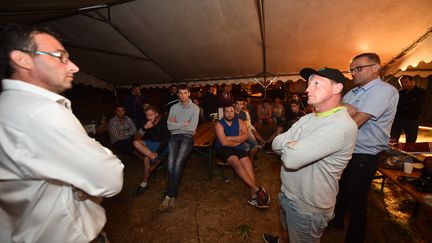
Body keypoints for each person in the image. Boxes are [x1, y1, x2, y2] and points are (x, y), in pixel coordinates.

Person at [0, 24, 124, 243]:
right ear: (23, 60)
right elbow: (110, 178)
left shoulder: (8, 106)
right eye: (61, 57)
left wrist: (75, 177)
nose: (74, 67)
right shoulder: (41, 112)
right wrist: (86, 169)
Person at [263, 67, 357, 243]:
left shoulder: (339, 126)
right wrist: (292, 145)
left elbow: (291, 160)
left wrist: (292, 145)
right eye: (308, 84)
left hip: (307, 207)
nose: (307, 89)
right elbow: (276, 143)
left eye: (316, 84)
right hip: (287, 193)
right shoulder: (310, 117)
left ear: (337, 89)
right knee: (285, 234)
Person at [331, 53, 399, 243]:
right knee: (340, 190)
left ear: (376, 68)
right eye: (352, 69)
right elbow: (334, 111)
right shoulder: (353, 92)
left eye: (358, 68)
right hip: (346, 150)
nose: (353, 73)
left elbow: (354, 122)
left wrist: (342, 110)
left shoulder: (384, 91)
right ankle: (336, 222)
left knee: (356, 201)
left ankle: (355, 238)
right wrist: (343, 107)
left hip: (364, 154)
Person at [214, 105, 270, 209]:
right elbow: (223, 142)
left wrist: (230, 138)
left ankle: (253, 195)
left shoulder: (240, 121)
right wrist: (237, 140)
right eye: (227, 111)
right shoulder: (219, 124)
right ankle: (257, 189)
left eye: (231, 111)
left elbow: (245, 136)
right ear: (223, 113)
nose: (229, 113)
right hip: (222, 149)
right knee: (236, 162)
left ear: (234, 112)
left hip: (237, 147)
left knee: (247, 163)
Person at [158, 84, 200, 212]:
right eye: (180, 93)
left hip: (187, 137)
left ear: (189, 94)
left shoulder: (195, 108)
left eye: (185, 93)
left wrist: (177, 124)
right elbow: (170, 126)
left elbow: (192, 128)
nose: (183, 95)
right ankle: (173, 194)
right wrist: (184, 123)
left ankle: (168, 196)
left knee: (177, 164)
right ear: (178, 95)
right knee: (170, 165)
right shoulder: (173, 108)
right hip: (174, 137)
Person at [132, 106, 170, 196]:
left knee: (146, 159)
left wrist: (157, 152)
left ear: (156, 114)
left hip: (164, 146)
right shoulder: (146, 123)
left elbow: (166, 141)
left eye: (151, 115)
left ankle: (144, 183)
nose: (149, 117)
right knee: (135, 143)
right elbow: (136, 138)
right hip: (152, 145)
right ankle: (153, 157)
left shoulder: (164, 122)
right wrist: (144, 128)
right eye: (147, 115)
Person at [390, 75, 426, 143]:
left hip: (412, 120)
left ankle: (408, 153)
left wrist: (404, 108)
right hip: (398, 119)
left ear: (413, 81)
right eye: (402, 83)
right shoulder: (399, 93)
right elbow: (395, 106)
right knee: (393, 139)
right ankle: (392, 152)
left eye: (406, 82)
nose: (404, 84)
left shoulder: (421, 92)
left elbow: (418, 106)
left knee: (410, 141)